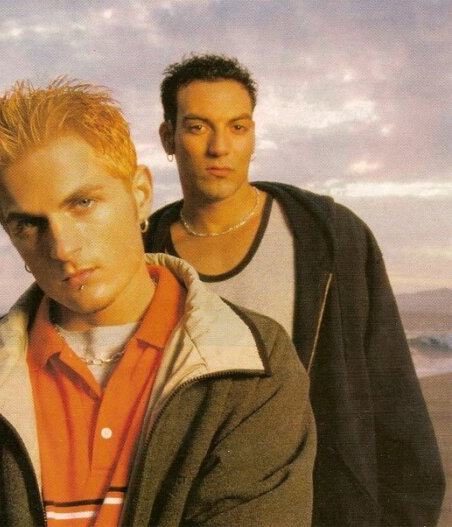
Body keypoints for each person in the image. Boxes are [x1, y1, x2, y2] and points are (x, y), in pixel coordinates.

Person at [0, 79, 315, 526]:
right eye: (29, 225)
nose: (62, 247)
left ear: (140, 193)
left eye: (82, 203)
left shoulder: (255, 362)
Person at [144, 54, 445, 526]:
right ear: (168, 137)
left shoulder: (331, 238)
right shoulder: (142, 256)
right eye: (198, 127)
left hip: (326, 509)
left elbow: (395, 401)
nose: (220, 147)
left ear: (252, 135)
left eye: (237, 127)